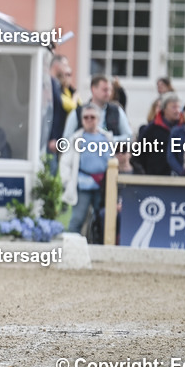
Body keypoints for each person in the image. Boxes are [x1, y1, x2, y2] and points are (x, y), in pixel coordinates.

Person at [61, 103, 111, 243]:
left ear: (98, 119)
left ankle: (100, 247)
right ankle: (71, 247)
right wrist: (67, 181)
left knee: (102, 220)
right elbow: (65, 162)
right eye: (86, 117)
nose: (89, 120)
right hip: (82, 185)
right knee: (77, 219)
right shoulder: (76, 138)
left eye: (92, 117)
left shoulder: (106, 138)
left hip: (102, 186)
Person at [62, 74, 132, 141]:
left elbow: (129, 136)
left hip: (111, 149)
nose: (108, 93)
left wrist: (109, 140)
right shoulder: (78, 112)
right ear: (93, 89)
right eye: (105, 90)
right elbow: (66, 139)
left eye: (110, 90)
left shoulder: (117, 111)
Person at [138, 92, 181, 176]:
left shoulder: (183, 128)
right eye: (174, 107)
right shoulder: (152, 129)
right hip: (156, 176)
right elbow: (140, 154)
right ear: (164, 109)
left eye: (179, 107)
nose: (177, 111)